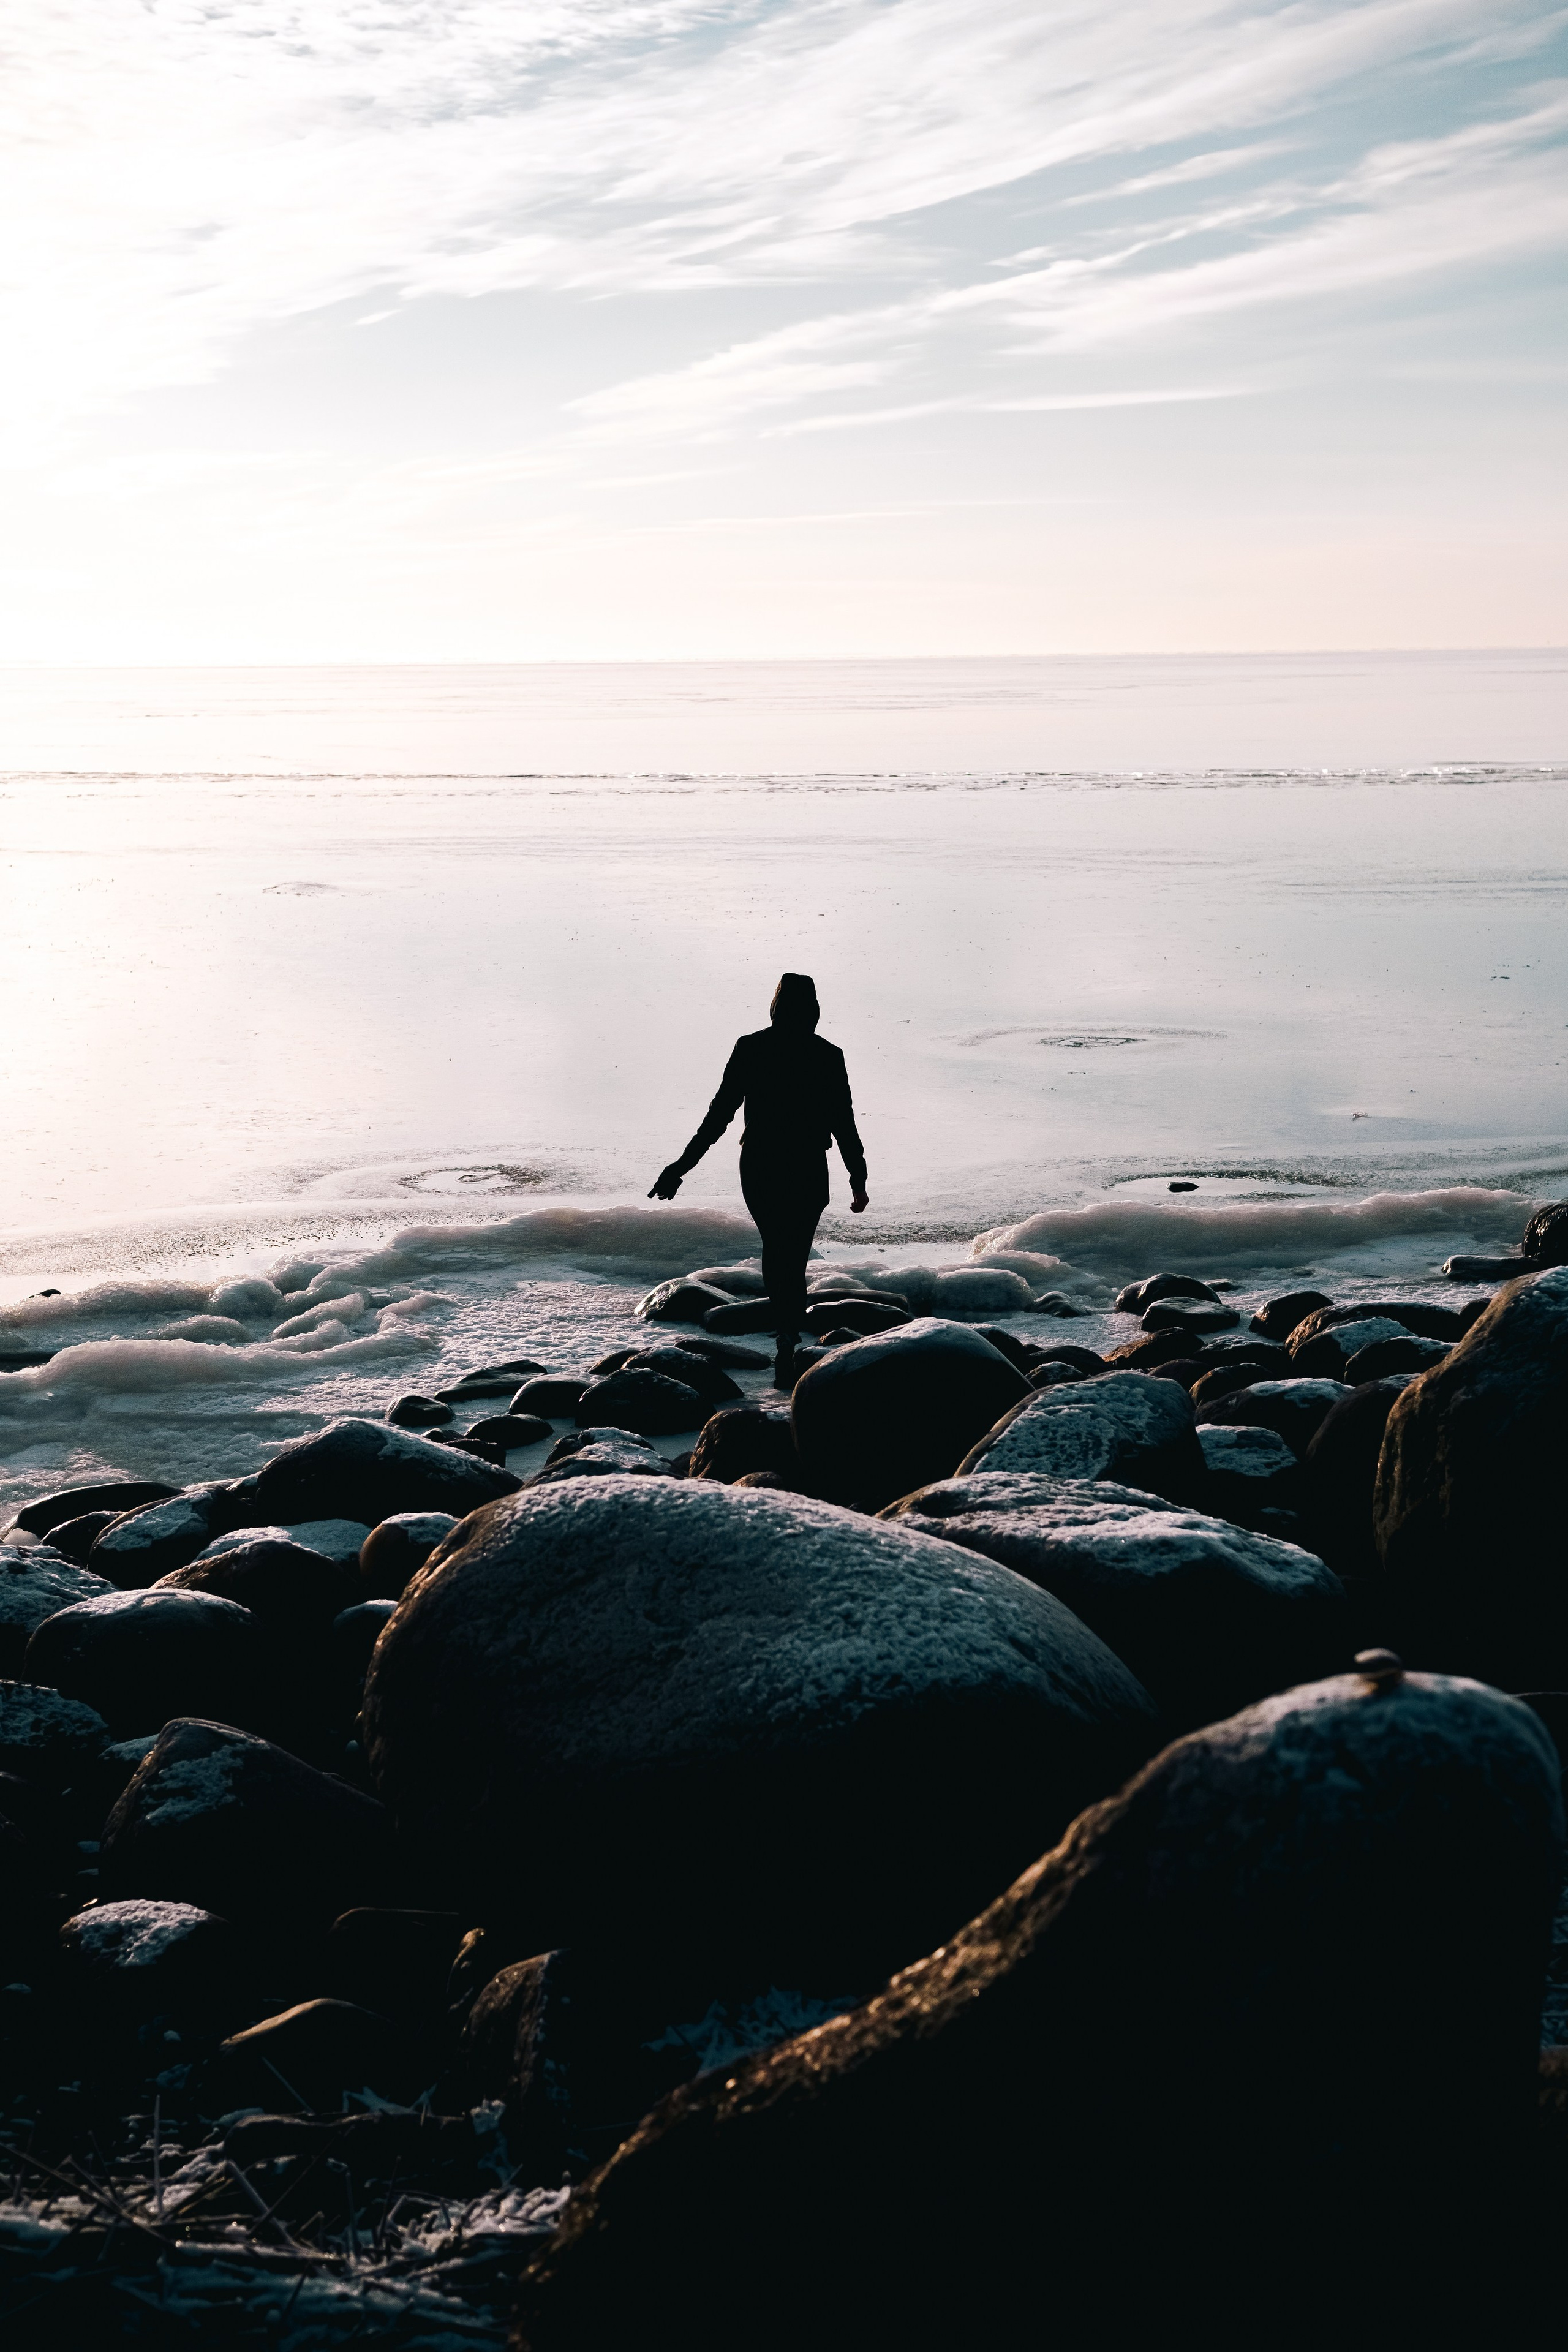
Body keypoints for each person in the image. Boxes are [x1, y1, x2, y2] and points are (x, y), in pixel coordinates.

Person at [649, 973, 868, 1383]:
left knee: (776, 1246)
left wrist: (681, 1167)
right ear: (814, 1011)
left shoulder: (752, 1048)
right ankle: (789, 1334)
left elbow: (719, 1116)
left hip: (761, 1164)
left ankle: (785, 1332)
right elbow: (844, 1123)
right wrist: (858, 1177)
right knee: (795, 1252)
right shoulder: (827, 1054)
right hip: (806, 1165)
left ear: (776, 1007)